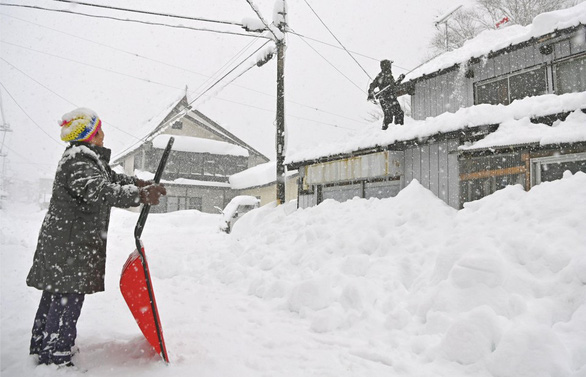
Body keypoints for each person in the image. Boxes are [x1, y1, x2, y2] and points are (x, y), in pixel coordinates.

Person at [26, 108, 167, 368]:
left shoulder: (89, 159)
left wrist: (138, 184)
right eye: (99, 131)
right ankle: (56, 357)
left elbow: (113, 179)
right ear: (90, 136)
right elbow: (101, 190)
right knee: (67, 297)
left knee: (58, 294)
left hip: (68, 242)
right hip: (68, 245)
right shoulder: (78, 161)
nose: (103, 135)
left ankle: (43, 345)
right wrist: (140, 196)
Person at [367, 59, 405, 130]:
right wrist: (371, 93)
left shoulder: (390, 76)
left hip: (392, 98)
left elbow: (394, 86)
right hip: (384, 98)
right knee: (388, 116)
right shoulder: (381, 76)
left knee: (399, 113)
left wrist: (399, 80)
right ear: (386, 66)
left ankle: (399, 129)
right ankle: (385, 132)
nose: (391, 67)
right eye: (389, 65)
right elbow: (372, 85)